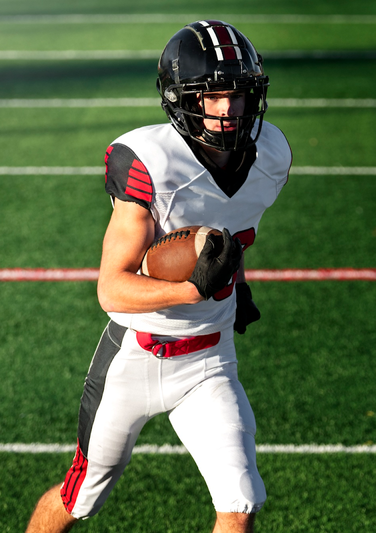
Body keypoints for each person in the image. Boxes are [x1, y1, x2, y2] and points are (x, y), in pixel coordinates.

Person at [25, 20, 292, 533]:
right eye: (212, 95)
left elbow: (233, 230)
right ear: (179, 98)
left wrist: (238, 279)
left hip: (211, 359)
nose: (228, 109)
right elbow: (112, 288)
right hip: (136, 355)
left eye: (238, 94)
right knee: (80, 498)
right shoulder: (150, 162)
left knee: (239, 503)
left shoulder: (272, 156)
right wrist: (195, 287)